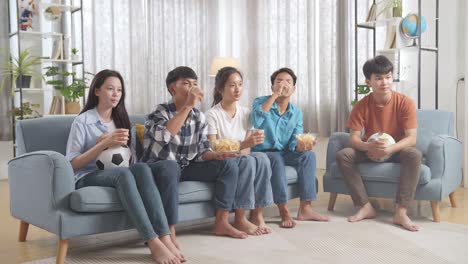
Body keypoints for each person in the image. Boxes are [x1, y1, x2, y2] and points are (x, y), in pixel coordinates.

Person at [66, 69, 185, 264]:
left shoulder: (121, 120)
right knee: (124, 174)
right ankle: (152, 241)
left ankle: (164, 236)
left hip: (120, 171)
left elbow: (131, 160)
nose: (115, 94)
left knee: (141, 168)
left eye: (119, 90)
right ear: (97, 91)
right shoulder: (82, 121)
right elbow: (72, 164)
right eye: (110, 89)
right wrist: (102, 144)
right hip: (88, 175)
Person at [143, 66, 249, 239]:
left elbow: (202, 151)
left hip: (187, 167)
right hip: (160, 167)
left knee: (228, 165)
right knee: (171, 167)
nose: (193, 88)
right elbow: (165, 136)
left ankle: (221, 223)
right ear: (172, 88)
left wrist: (217, 155)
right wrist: (188, 106)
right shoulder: (159, 112)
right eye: (186, 84)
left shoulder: (199, 116)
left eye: (195, 84)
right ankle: (169, 230)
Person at [335, 55, 422, 232]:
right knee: (343, 154)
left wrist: (390, 148)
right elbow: (353, 139)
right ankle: (365, 206)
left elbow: (411, 139)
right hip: (371, 149)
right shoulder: (361, 105)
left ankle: (401, 211)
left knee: (414, 154)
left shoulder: (405, 102)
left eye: (388, 77)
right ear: (368, 81)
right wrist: (368, 147)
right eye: (379, 78)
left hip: (396, 150)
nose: (385, 82)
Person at [250, 67, 330, 228]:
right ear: (272, 86)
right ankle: (283, 210)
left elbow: (295, 142)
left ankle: (305, 208)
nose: (283, 85)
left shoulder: (296, 113)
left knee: (309, 156)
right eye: (278, 82)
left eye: (288, 82)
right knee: (276, 159)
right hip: (263, 153)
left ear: (294, 88)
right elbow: (255, 122)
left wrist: (302, 146)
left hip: (285, 152)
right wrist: (275, 96)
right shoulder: (260, 102)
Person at [205, 67, 274, 235]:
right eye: (232, 85)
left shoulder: (246, 113)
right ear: (220, 88)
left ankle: (257, 214)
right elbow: (213, 146)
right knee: (248, 160)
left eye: (240, 84)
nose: (237, 89)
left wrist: (248, 144)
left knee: (262, 158)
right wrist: (242, 146)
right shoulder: (212, 114)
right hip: (222, 159)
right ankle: (240, 218)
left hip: (242, 156)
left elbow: (248, 146)